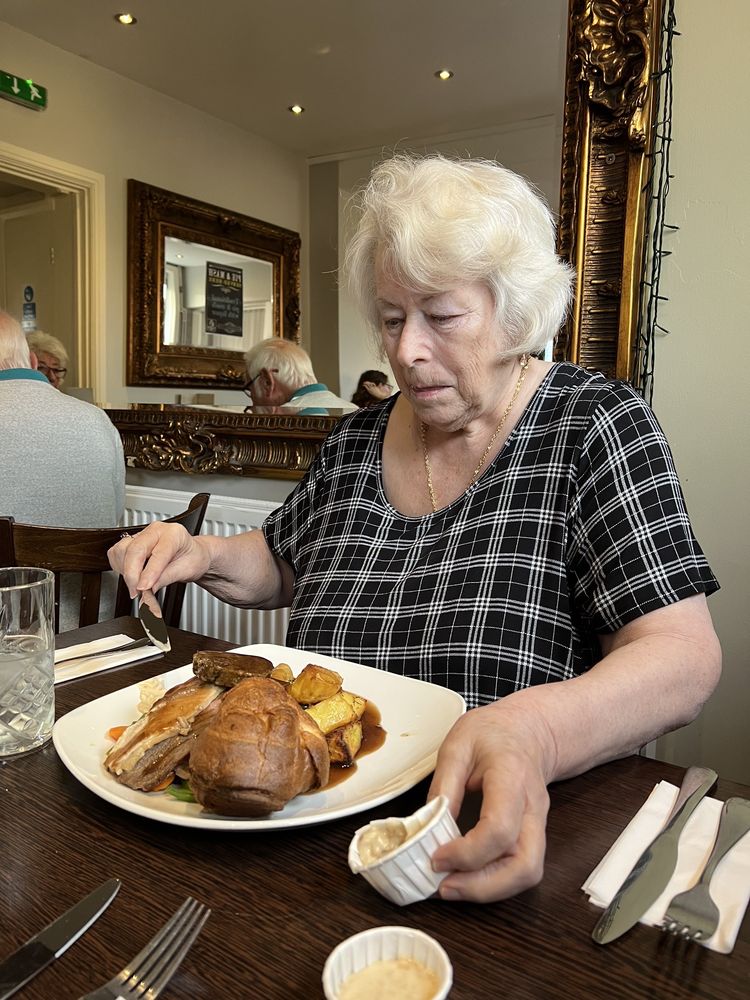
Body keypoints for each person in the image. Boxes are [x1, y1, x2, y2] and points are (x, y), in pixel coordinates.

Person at [110, 154, 721, 903]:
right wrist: (198, 551)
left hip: (505, 840)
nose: (406, 351)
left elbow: (682, 658)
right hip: (306, 833)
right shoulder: (356, 439)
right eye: (394, 319)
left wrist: (537, 730)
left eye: (442, 317)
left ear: (515, 310)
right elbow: (282, 563)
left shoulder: (594, 425)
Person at [0, 311, 125, 630]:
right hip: (97, 627)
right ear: (31, 361)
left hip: (12, 639)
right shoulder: (98, 420)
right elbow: (113, 517)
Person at [243, 338, 356, 414]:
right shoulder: (356, 411)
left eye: (250, 389)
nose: (252, 404)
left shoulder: (285, 423)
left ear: (267, 382)